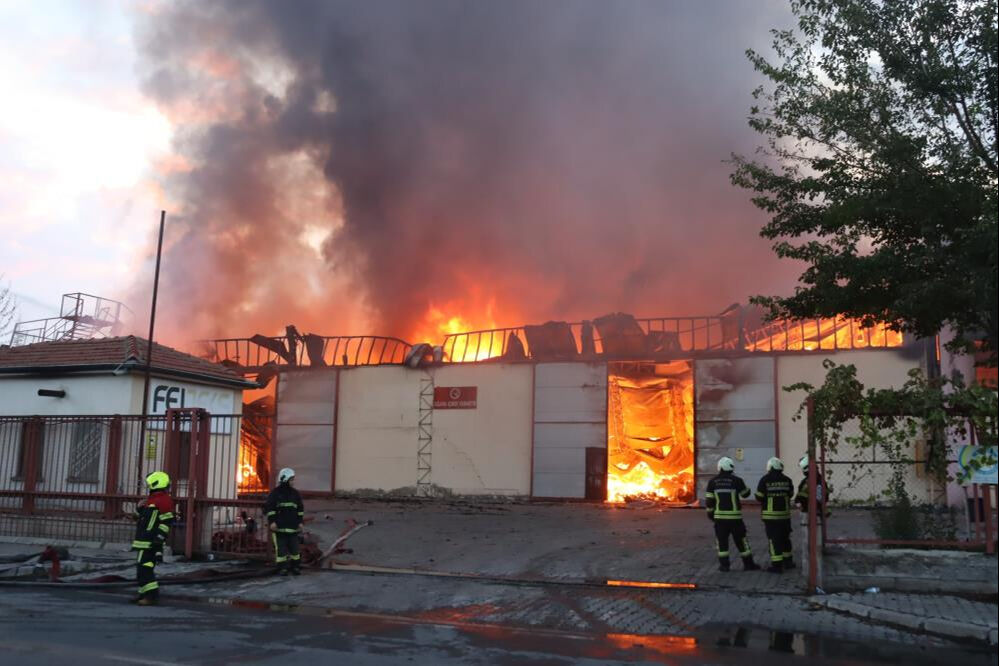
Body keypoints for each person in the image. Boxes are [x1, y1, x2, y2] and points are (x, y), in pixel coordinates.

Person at [705, 457, 760, 572]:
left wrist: (710, 514)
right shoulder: (737, 480)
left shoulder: (712, 481)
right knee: (742, 541)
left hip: (720, 519)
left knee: (722, 543)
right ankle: (748, 564)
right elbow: (745, 494)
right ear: (731, 468)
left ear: (719, 467)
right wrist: (747, 488)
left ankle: (724, 566)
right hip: (735, 518)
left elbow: (709, 502)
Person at [132, 470, 175, 605]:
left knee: (145, 569)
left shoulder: (163, 501)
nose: (148, 487)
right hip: (144, 542)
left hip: (150, 542)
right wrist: (139, 508)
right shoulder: (153, 500)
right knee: (141, 569)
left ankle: (151, 596)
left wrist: (158, 539)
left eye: (150, 484)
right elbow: (146, 519)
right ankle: (143, 594)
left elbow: (165, 523)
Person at [756, 457, 794, 573]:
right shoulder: (787, 480)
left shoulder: (765, 480)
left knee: (774, 540)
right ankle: (788, 562)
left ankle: (777, 565)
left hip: (771, 517)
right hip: (785, 516)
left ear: (770, 467)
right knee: (785, 539)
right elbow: (791, 494)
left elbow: (759, 496)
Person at [264, 467, 305, 575]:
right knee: (281, 550)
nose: (293, 482)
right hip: (279, 528)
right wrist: (272, 522)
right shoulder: (275, 493)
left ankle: (295, 566)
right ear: (285, 479)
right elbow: (270, 508)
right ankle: (282, 568)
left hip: (293, 527)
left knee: (295, 549)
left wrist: (300, 522)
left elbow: (300, 509)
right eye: (291, 479)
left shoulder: (295, 494)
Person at [794, 455, 829, 520]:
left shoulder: (806, 482)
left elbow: (800, 497)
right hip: (819, 511)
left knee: (806, 528)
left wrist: (797, 502)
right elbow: (826, 496)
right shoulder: (822, 480)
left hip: (807, 511)